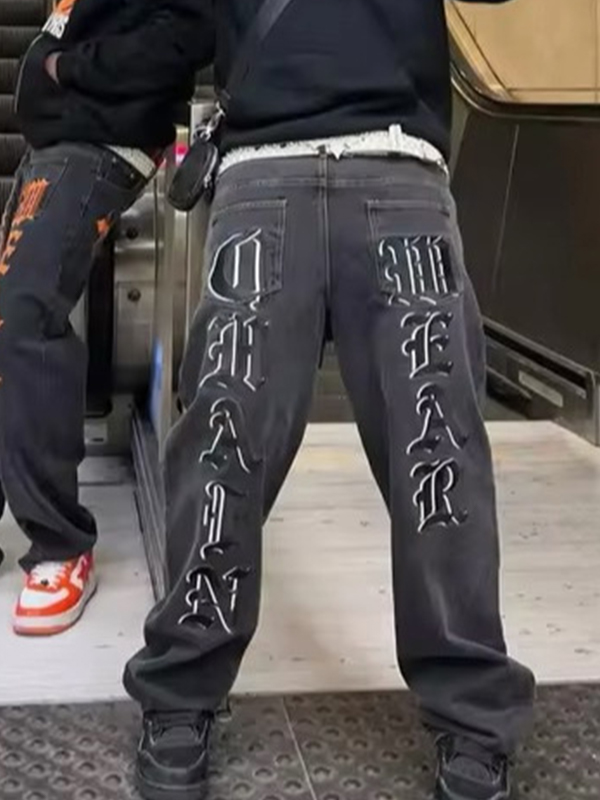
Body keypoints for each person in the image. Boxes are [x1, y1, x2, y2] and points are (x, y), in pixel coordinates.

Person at [124, 1, 536, 799]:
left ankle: (473, 711)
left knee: (438, 453)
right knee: (222, 446)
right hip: (262, 174)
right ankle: (179, 689)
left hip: (397, 166)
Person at [0, 0, 213, 635]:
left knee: (24, 315)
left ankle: (61, 545)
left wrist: (64, 68)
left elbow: (189, 34)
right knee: (11, 314)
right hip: (55, 145)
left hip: (101, 144)